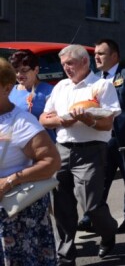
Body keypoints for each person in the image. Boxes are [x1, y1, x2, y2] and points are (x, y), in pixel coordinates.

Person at [39, 44, 121, 264]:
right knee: (61, 206)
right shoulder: (61, 87)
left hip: (91, 152)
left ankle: (108, 231)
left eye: (70, 63)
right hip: (62, 150)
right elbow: (44, 118)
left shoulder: (101, 86)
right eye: (63, 64)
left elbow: (106, 125)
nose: (66, 68)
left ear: (85, 62)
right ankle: (66, 254)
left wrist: (87, 119)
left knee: (92, 207)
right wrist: (62, 120)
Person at [77, 39, 125, 233]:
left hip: (123, 138)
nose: (96, 57)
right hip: (101, 137)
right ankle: (90, 217)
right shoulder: (94, 79)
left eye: (101, 53)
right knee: (98, 180)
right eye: (95, 54)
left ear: (114, 56)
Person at [0, 58, 61, 266]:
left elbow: (51, 161)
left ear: (7, 88)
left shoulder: (21, 122)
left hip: (15, 216)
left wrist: (10, 180)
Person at [8, 50, 56, 141]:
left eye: (24, 70)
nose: (19, 75)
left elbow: (53, 122)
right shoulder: (9, 91)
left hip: (42, 146)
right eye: (16, 71)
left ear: (36, 70)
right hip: (16, 147)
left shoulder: (48, 91)